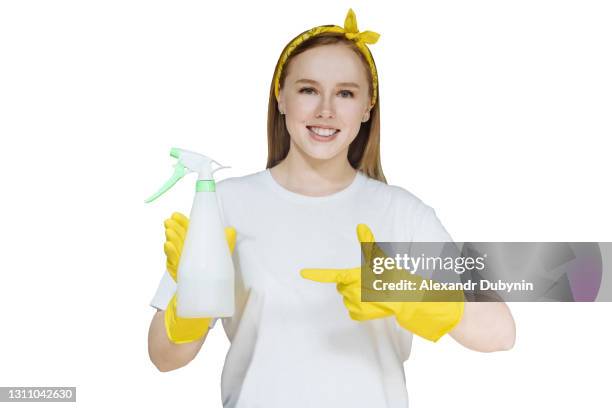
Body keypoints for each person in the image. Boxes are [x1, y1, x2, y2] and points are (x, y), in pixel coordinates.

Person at [147, 9, 516, 408]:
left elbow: (500, 333)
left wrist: (412, 296)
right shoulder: (226, 204)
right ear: (281, 98)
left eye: (345, 93)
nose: (325, 110)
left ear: (367, 107)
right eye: (308, 90)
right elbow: (164, 358)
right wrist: (191, 300)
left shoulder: (402, 214)